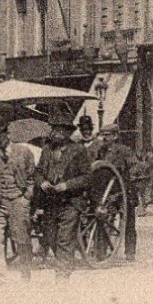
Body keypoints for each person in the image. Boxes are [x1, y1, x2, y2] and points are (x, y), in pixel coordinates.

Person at [0, 115, 37, 280]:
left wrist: (26, 197)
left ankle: (25, 272)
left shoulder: (23, 152)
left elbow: (33, 177)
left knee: (21, 237)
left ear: (7, 134)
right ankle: (0, 274)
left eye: (0, 136)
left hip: (18, 200)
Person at [39, 115, 93, 278]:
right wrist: (41, 182)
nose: (54, 133)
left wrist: (67, 185)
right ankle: (64, 266)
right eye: (53, 129)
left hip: (71, 202)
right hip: (51, 201)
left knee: (64, 239)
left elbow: (87, 177)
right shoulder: (47, 149)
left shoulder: (78, 150)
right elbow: (38, 171)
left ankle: (62, 277)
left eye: (58, 130)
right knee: (51, 237)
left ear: (66, 132)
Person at [96, 129, 143, 261]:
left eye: (107, 135)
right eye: (103, 135)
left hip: (124, 190)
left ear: (115, 136)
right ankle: (101, 251)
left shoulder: (124, 151)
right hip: (108, 191)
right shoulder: (101, 151)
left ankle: (130, 252)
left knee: (128, 222)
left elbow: (135, 166)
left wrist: (127, 178)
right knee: (105, 219)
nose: (104, 138)